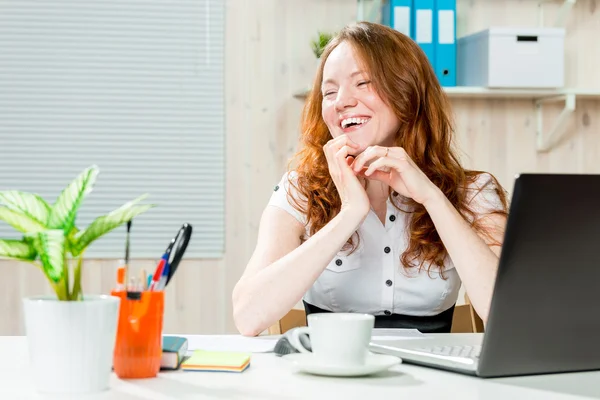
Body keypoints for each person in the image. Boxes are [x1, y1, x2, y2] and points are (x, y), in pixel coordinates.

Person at [232, 22, 509, 337]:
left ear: (408, 92)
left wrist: (432, 198)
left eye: (362, 83)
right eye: (330, 92)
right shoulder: (299, 189)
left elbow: (509, 314)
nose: (341, 102)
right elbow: (247, 316)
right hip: (331, 377)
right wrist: (349, 212)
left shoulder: (473, 191)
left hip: (434, 382)